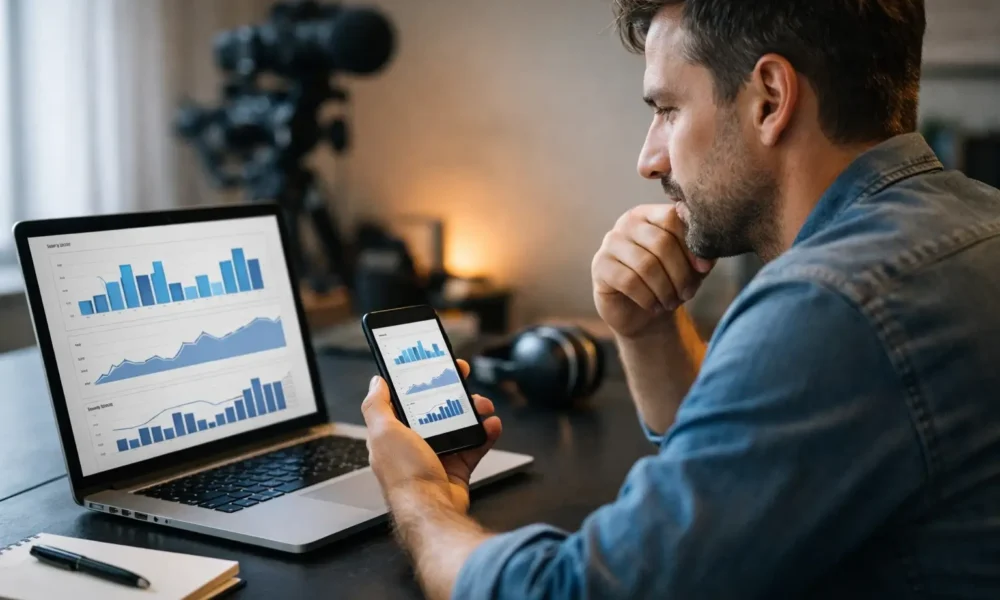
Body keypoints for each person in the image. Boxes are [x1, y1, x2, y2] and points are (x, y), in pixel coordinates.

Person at [361, 0, 1000, 597]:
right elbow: (743, 478)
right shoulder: (976, 220)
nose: (649, 157)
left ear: (770, 99)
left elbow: (573, 590)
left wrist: (418, 494)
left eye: (667, 109)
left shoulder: (831, 306)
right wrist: (648, 330)